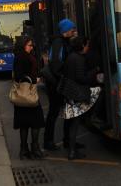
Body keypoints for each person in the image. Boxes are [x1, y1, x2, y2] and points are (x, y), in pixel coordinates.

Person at [62, 36, 100, 160]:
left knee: (73, 122)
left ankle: (72, 149)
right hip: (77, 93)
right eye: (87, 45)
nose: (88, 47)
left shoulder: (71, 57)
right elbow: (81, 78)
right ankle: (72, 152)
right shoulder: (79, 59)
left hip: (70, 93)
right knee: (75, 123)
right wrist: (94, 71)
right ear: (82, 46)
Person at [43, 18, 78, 151]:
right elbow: (56, 64)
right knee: (54, 113)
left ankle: (68, 140)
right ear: (65, 30)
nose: (73, 31)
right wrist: (64, 78)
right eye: (71, 29)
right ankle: (49, 141)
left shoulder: (62, 41)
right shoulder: (59, 42)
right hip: (56, 84)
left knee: (66, 111)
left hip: (59, 82)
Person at [13, 37, 46, 160]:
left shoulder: (17, 57)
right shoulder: (25, 58)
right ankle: (35, 149)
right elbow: (22, 75)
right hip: (29, 94)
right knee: (36, 123)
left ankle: (23, 149)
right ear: (23, 46)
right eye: (29, 45)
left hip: (21, 96)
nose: (31, 48)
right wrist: (34, 80)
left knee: (24, 125)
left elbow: (17, 76)